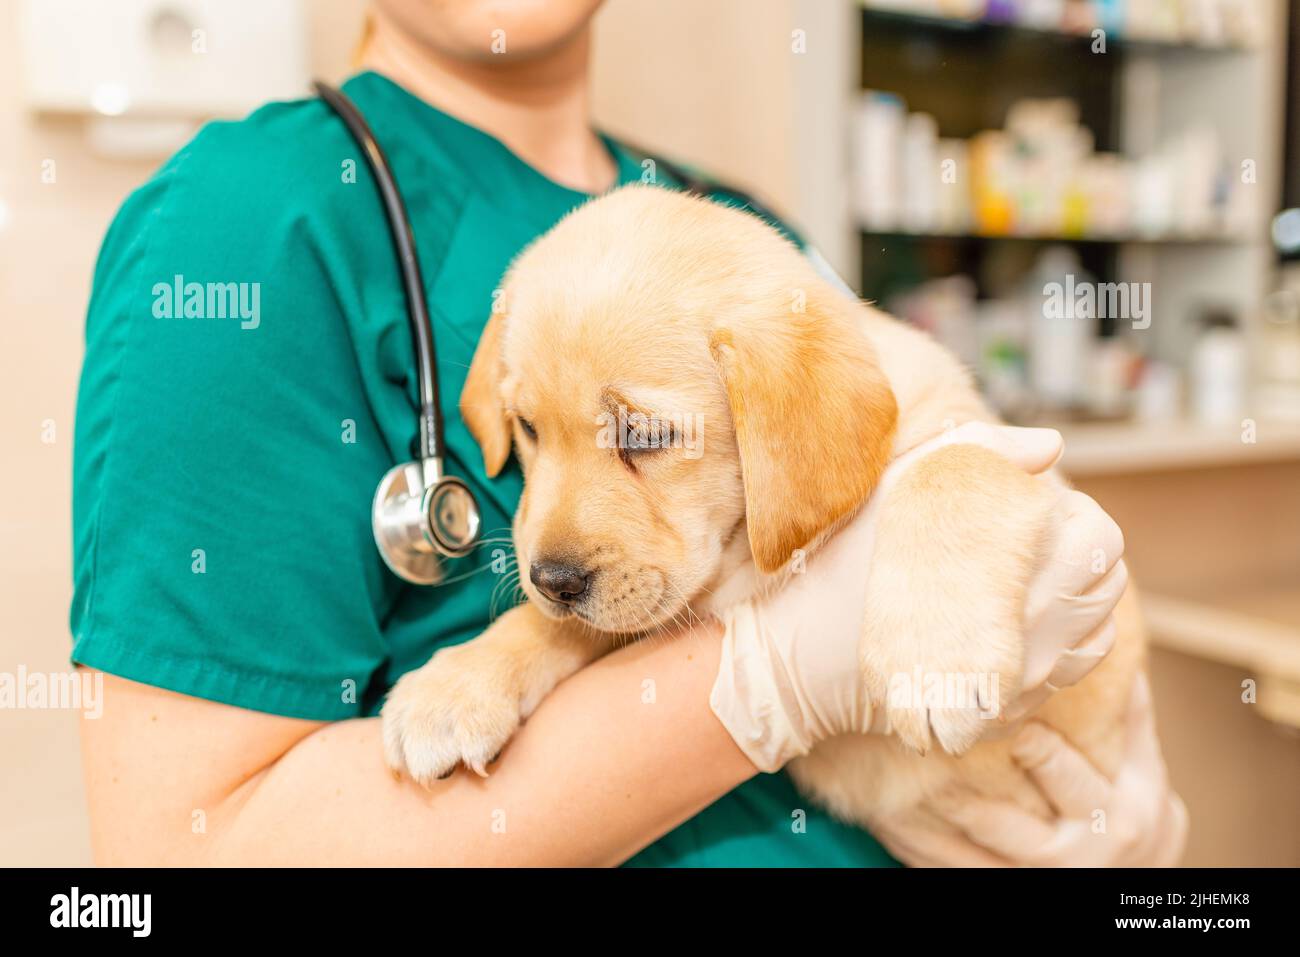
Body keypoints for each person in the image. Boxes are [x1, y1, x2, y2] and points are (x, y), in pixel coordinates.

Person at [71, 0, 1185, 866]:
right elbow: (180, 854)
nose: (551, 534)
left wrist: (1137, 854)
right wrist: (767, 678)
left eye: (643, 438)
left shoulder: (741, 233)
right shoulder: (249, 229)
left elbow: (959, 482)